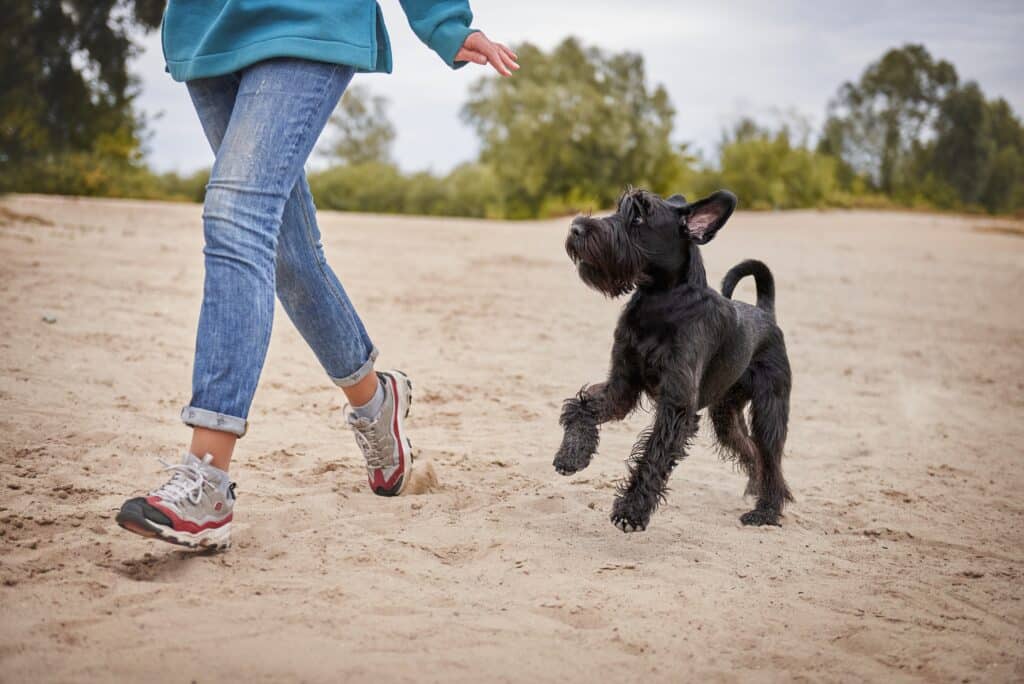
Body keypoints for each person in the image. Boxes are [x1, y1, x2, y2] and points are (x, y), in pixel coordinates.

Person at [115, 0, 518, 549]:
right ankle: (377, 402)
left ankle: (207, 480)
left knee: (236, 215)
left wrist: (443, 21)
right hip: (206, 24)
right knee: (287, 254)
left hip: (310, 17)